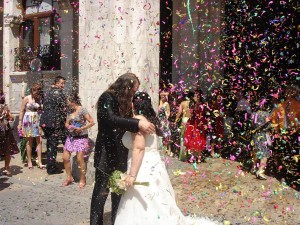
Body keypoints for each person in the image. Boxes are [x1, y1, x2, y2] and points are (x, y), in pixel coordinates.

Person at [114, 91, 219, 225]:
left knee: (142, 200)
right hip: (154, 165)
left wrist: (132, 175)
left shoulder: (138, 122)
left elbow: (139, 148)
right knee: (157, 200)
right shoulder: (151, 119)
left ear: (133, 104)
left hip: (141, 166)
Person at [90, 73, 156, 225]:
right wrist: (137, 124)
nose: (133, 94)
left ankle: (116, 221)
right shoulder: (107, 98)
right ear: (126, 87)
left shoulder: (126, 101)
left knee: (118, 193)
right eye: (133, 91)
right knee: (101, 193)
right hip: (106, 153)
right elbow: (110, 119)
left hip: (121, 153)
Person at [62, 94, 95, 188]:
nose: (67, 103)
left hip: (81, 137)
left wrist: (81, 128)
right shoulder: (69, 111)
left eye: (68, 101)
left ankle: (83, 178)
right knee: (65, 158)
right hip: (71, 137)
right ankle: (69, 177)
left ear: (73, 101)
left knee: (80, 159)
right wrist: (69, 126)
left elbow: (92, 122)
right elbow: (67, 123)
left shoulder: (82, 109)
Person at [40, 76, 67, 175]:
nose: (63, 85)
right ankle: (51, 168)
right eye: (61, 83)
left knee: (50, 144)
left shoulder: (47, 92)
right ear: (56, 83)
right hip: (54, 122)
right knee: (56, 144)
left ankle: (50, 164)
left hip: (45, 122)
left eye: (64, 83)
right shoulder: (59, 93)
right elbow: (64, 109)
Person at [17, 83, 44, 169]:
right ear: (32, 91)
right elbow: (21, 110)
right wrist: (20, 123)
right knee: (30, 141)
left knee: (39, 140)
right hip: (28, 120)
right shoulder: (26, 98)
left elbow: (40, 110)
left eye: (38, 92)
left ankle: (40, 162)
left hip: (36, 120)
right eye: (35, 91)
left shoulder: (39, 99)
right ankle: (29, 161)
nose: (37, 93)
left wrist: (41, 108)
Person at [250, 97, 273, 180]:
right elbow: (269, 125)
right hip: (263, 135)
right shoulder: (267, 114)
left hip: (255, 135)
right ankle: (260, 171)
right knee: (265, 154)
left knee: (256, 151)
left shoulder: (254, 114)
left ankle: (253, 167)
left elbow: (252, 125)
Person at [184, 89, 207, 162]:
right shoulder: (191, 104)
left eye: (198, 95)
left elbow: (205, 115)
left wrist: (205, 123)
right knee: (192, 138)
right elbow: (189, 114)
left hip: (200, 123)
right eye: (195, 95)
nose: (197, 96)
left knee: (199, 138)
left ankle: (199, 156)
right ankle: (193, 156)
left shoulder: (203, 104)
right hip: (193, 123)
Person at [0, 91, 19, 176]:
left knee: (7, 149)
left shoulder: (5, 106)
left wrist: (9, 116)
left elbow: (10, 117)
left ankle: (7, 168)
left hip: (5, 130)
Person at [158, 90, 172, 156]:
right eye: (161, 96)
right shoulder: (159, 103)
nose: (162, 97)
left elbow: (168, 113)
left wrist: (165, 119)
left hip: (164, 121)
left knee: (167, 135)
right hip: (159, 121)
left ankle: (169, 149)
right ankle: (163, 148)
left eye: (164, 96)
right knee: (161, 135)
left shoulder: (166, 104)